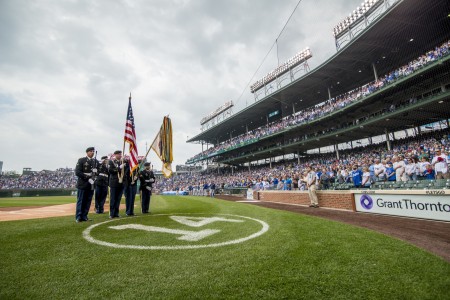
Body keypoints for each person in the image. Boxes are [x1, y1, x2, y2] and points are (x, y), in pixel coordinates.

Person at [74, 147, 98, 222]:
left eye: (93, 151)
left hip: (91, 184)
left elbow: (97, 172)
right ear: (87, 152)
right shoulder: (82, 160)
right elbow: (77, 172)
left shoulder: (95, 161)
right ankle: (78, 217)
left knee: (88, 201)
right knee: (81, 201)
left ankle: (84, 216)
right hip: (83, 183)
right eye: (91, 151)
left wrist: (95, 175)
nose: (92, 152)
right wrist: (87, 177)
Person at [109, 150, 125, 218]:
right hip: (114, 182)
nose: (120, 155)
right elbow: (111, 171)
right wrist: (119, 168)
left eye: (120, 154)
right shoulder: (111, 161)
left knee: (118, 199)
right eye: (118, 154)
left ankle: (116, 213)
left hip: (120, 183)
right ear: (115, 155)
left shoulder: (122, 162)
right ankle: (112, 214)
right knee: (113, 199)